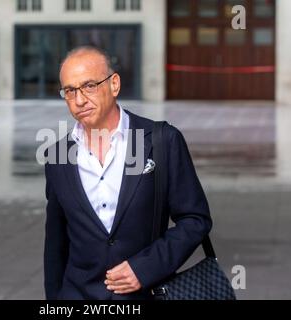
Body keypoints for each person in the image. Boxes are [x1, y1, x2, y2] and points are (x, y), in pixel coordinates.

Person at [43, 46, 212, 300]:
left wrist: (145, 268)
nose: (79, 100)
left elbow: (195, 219)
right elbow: (56, 243)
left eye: (89, 86)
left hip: (145, 294)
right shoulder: (57, 155)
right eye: (69, 91)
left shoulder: (162, 140)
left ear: (114, 84)